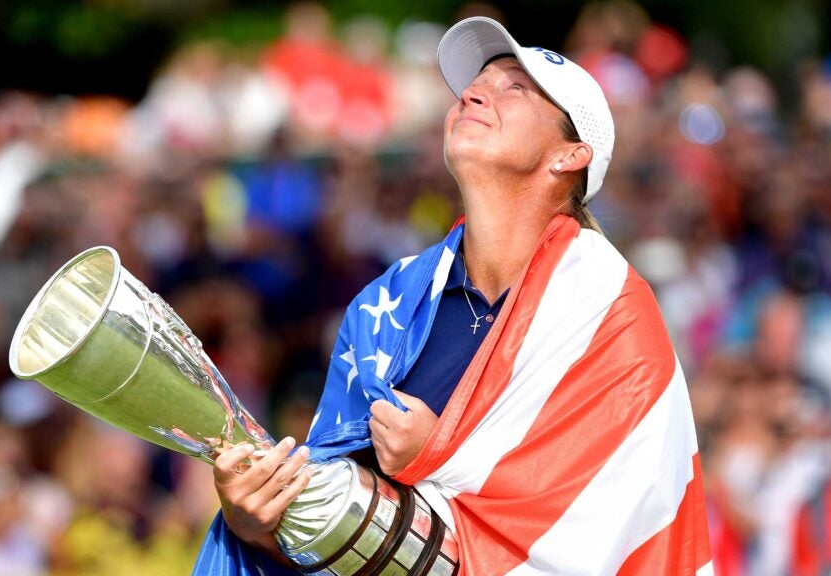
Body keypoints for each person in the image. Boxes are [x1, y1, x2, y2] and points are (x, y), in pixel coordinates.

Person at [198, 16, 713, 575]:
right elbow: (339, 535)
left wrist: (440, 453)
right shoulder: (383, 307)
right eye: (474, 85)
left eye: (514, 88)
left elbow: (612, 532)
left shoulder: (608, 310)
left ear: (571, 155)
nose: (472, 93)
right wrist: (263, 522)